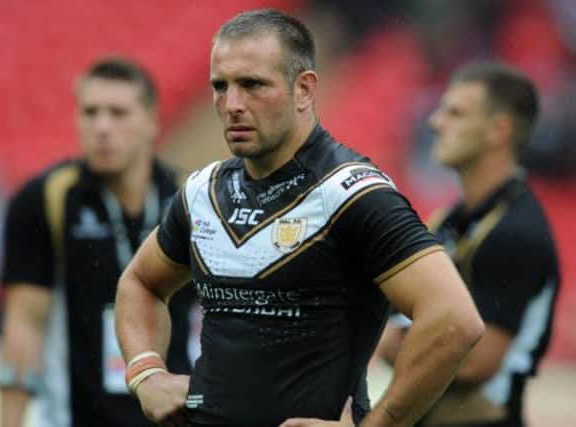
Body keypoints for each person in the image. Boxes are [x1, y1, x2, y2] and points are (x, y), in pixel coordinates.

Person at [114, 9, 484, 427]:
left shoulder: (351, 194)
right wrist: (146, 373)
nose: (232, 104)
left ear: (304, 89)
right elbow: (140, 282)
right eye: (221, 86)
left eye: (252, 85)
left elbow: (454, 318)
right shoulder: (202, 191)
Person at [0, 57, 195, 427]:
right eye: (90, 112)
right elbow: (24, 326)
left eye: (118, 113)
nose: (102, 126)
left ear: (153, 121)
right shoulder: (46, 198)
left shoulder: (188, 200)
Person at [377, 62, 560, 427]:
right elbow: (394, 336)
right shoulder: (446, 220)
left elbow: (476, 363)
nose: (435, 123)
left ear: (498, 130)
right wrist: (422, 342)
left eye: (455, 112)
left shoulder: (517, 231)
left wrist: (411, 343)